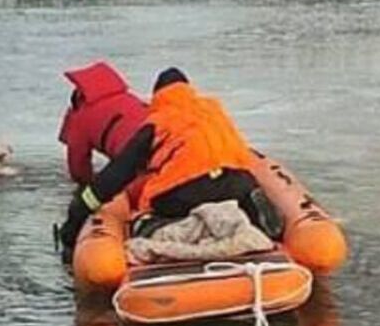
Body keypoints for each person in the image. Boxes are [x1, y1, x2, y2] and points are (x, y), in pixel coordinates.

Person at [57, 68, 273, 260]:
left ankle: (167, 227)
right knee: (229, 186)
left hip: (185, 191)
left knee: (147, 220)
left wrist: (79, 212)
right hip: (236, 181)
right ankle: (254, 211)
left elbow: (112, 174)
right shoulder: (214, 110)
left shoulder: (158, 121)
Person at [58, 61, 147, 186]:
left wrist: (87, 185)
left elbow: (78, 166)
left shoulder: (81, 119)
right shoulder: (130, 98)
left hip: (131, 153)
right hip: (167, 141)